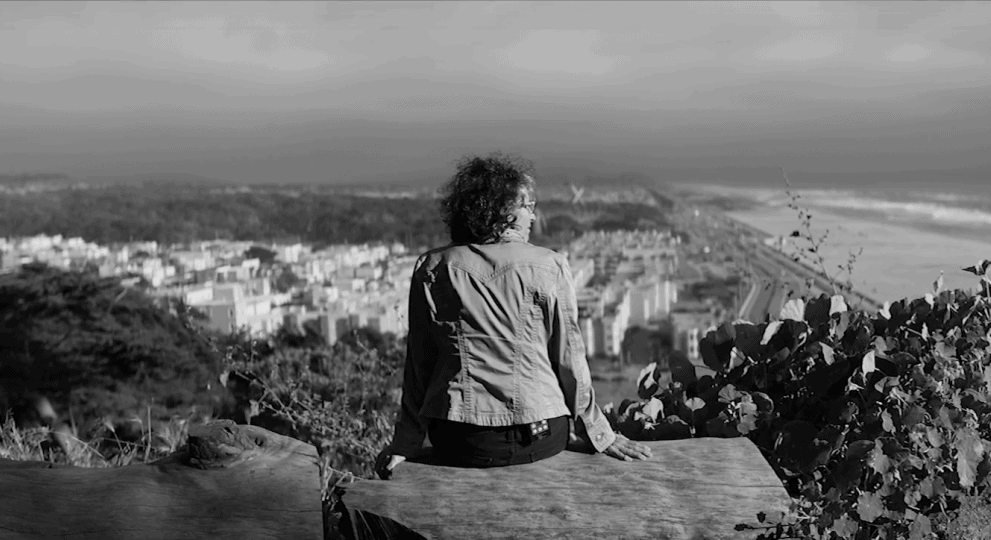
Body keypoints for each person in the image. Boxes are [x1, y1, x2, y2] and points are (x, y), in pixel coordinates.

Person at [375, 152, 651, 479]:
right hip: (544, 436)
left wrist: (406, 444)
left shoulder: (433, 268)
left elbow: (419, 365)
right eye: (526, 206)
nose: (532, 217)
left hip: (461, 441)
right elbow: (570, 360)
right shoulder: (549, 265)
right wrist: (601, 436)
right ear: (501, 211)